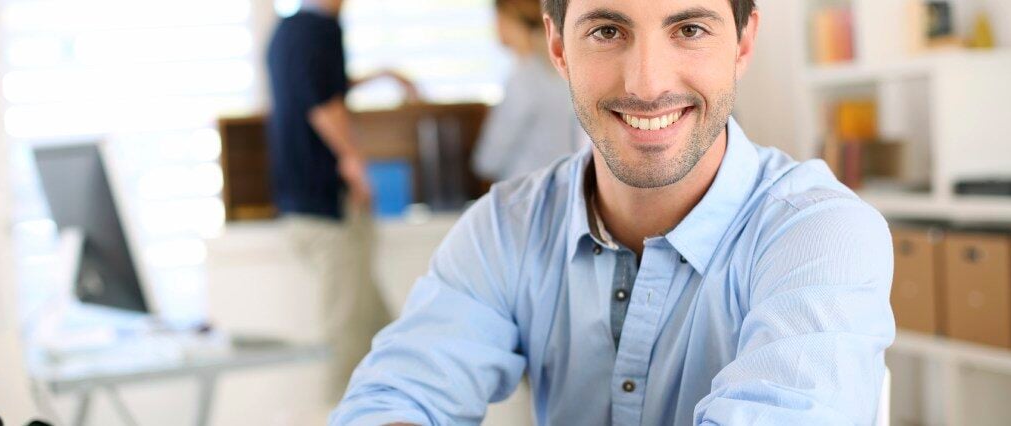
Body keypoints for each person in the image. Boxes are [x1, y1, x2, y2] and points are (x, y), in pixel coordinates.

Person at [330, 0, 895, 424]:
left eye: (689, 30)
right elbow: (395, 397)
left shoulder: (820, 234)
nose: (647, 84)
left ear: (743, 45)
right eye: (606, 31)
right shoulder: (506, 226)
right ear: (558, 48)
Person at [265, 0, 417, 404]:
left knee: (378, 330)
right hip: (329, 210)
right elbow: (322, 104)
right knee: (350, 335)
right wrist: (354, 160)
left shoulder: (287, 32)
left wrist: (380, 76)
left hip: (299, 207)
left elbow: (318, 87)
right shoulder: (320, 29)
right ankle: (340, 414)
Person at [472, 0, 585, 182]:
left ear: (511, 20)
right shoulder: (562, 67)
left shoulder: (524, 77)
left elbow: (490, 159)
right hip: (565, 183)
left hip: (524, 188)